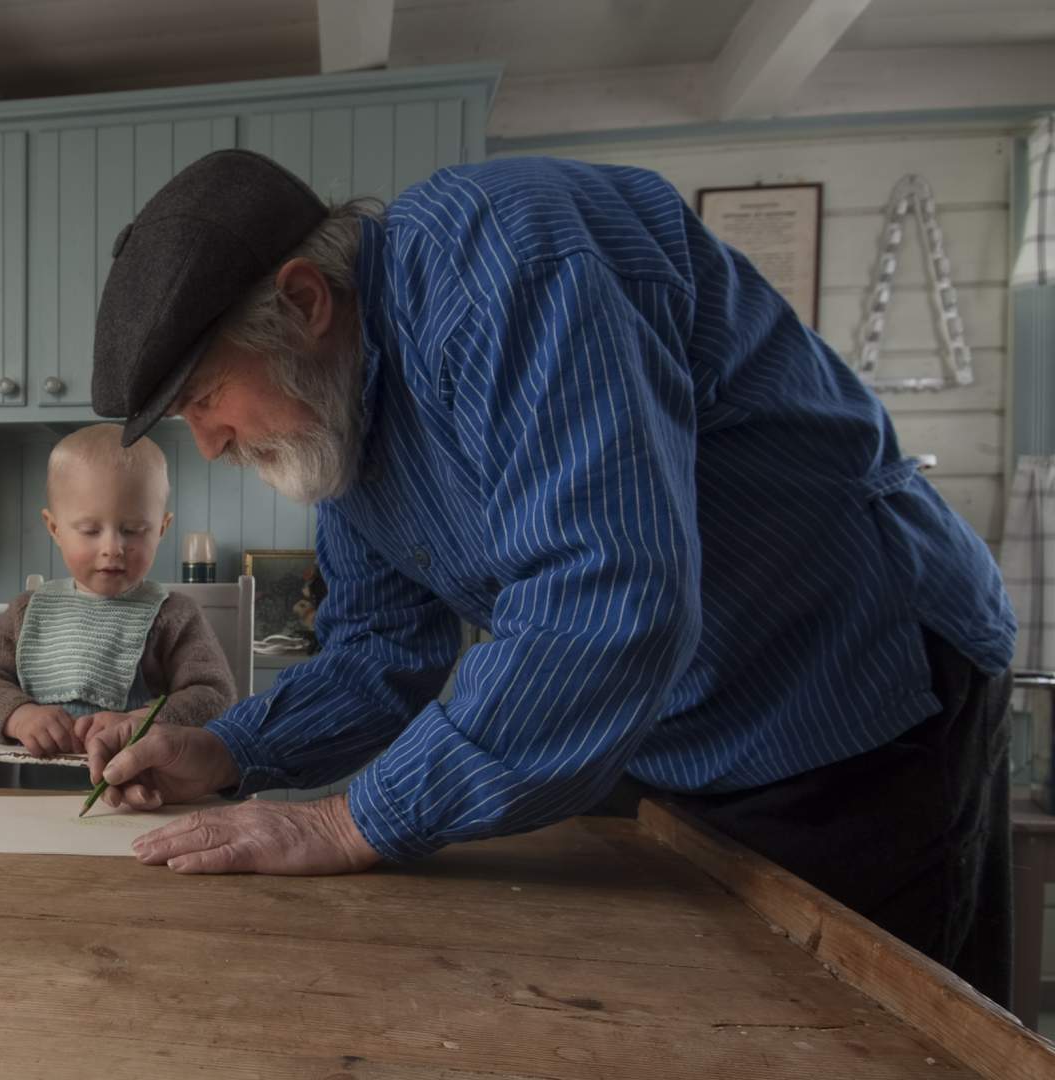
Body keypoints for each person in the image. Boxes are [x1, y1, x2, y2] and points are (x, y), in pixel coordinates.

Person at [82, 149, 1017, 1004]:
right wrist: (230, 751)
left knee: (863, 1032)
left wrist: (345, 822)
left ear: (303, 302)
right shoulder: (336, 416)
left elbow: (610, 601)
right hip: (664, 737)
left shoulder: (510, 263)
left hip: (855, 694)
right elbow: (379, 652)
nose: (208, 443)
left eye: (206, 398)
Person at [0, 424, 235, 757]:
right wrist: (19, 715)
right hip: (29, 789)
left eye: (133, 530)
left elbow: (214, 694)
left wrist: (144, 721)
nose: (113, 547)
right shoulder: (26, 612)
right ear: (55, 528)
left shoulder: (175, 614)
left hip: (142, 784)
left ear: (161, 529)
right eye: (90, 530)